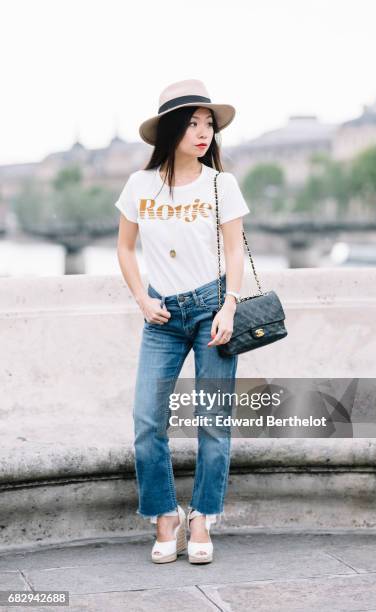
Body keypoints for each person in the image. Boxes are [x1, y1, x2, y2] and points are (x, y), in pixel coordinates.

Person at [114, 79, 250, 564]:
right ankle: (164, 516)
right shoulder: (139, 184)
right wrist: (140, 299)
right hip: (162, 315)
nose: (203, 133)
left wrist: (230, 304)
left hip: (213, 308)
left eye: (208, 124)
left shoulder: (221, 184)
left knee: (213, 423)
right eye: (192, 123)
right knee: (147, 420)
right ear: (170, 128)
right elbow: (125, 248)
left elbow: (234, 248)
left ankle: (202, 517)